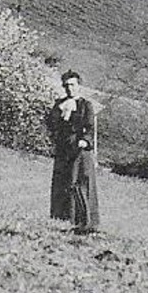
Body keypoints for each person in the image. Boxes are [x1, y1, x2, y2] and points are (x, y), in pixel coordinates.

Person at [46, 69, 100, 233]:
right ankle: (61, 219)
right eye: (66, 85)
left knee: (79, 184)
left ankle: (84, 223)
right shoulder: (59, 104)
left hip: (80, 152)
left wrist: (85, 141)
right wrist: (60, 114)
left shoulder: (85, 105)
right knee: (62, 184)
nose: (70, 88)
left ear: (79, 86)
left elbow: (90, 127)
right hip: (63, 151)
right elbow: (51, 125)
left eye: (73, 85)